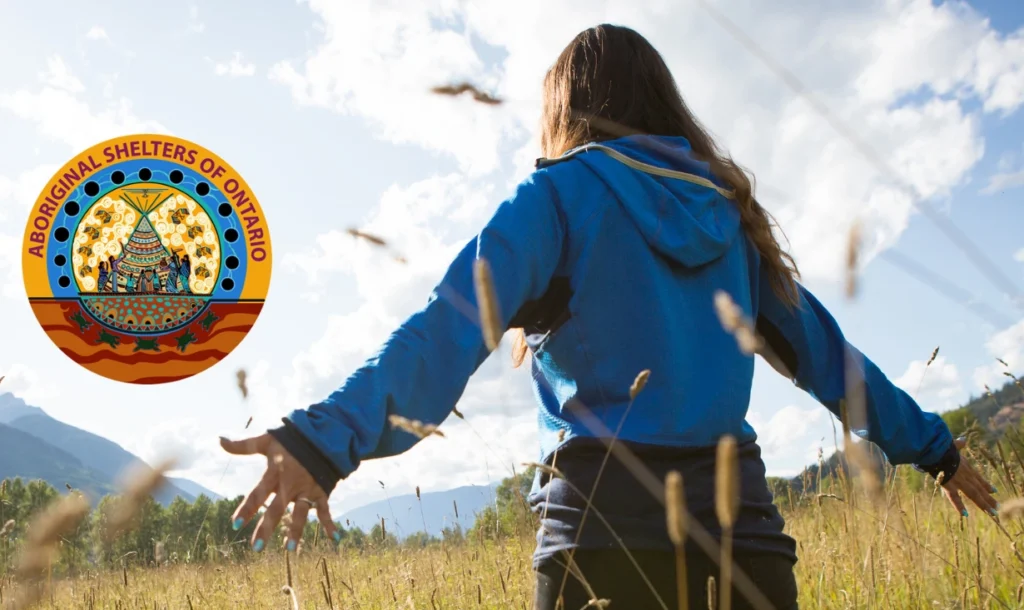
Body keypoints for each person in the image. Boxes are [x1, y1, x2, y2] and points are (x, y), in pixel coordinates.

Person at [220, 24, 997, 610]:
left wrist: (324, 440)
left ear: (566, 110)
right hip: (742, 545)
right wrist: (934, 450)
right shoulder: (727, 216)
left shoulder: (556, 198)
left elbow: (448, 327)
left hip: (601, 541)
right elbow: (831, 359)